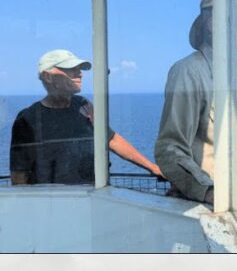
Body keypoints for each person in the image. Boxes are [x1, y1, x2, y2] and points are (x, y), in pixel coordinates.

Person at [9, 49, 161, 185]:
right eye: (71, 69)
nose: (80, 74)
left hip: (92, 199)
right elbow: (19, 174)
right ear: (48, 77)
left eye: (79, 69)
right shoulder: (28, 119)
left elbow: (111, 139)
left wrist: (152, 167)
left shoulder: (83, 105)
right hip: (53, 205)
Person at [156, 0, 237, 205]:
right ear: (212, 24)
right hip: (208, 209)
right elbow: (169, 148)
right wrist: (209, 193)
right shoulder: (188, 72)